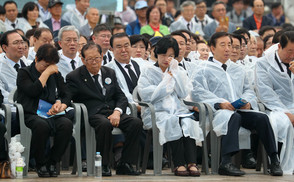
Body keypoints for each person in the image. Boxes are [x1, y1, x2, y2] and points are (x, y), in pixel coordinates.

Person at [190, 32, 283, 176]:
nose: (228, 49)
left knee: (262, 118)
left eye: (230, 45)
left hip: (239, 109)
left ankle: (274, 160)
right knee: (233, 118)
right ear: (212, 48)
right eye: (223, 45)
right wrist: (220, 103)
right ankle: (226, 162)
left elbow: (249, 90)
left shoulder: (238, 69)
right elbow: (198, 92)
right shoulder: (202, 69)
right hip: (217, 112)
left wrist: (247, 102)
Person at [66, 42, 142, 176]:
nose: (94, 62)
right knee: (104, 124)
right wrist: (60, 103)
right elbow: (67, 97)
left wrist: (117, 112)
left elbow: (121, 96)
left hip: (112, 111)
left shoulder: (109, 72)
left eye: (97, 58)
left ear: (102, 56)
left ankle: (125, 163)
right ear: (83, 59)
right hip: (91, 114)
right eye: (90, 59)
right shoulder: (74, 76)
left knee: (135, 123)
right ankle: (103, 164)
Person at [137, 36, 203, 176]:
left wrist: (176, 75)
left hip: (177, 110)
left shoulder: (177, 70)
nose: (167, 59)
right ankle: (178, 164)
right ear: (157, 54)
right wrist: (167, 80)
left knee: (188, 121)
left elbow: (183, 92)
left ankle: (192, 163)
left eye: (171, 56)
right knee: (172, 121)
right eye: (163, 55)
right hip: (156, 112)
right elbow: (149, 95)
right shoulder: (148, 72)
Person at [16, 44, 73, 177]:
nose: (48, 69)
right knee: (41, 126)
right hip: (31, 113)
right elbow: (33, 91)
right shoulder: (24, 73)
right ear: (36, 59)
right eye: (45, 65)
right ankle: (40, 163)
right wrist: (46, 73)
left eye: (51, 66)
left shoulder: (55, 73)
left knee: (66, 125)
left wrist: (61, 104)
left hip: (51, 113)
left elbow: (67, 93)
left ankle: (53, 162)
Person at [255, 31, 294, 174]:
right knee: (282, 122)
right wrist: (286, 112)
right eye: (289, 51)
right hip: (274, 108)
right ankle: (277, 162)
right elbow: (266, 93)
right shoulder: (263, 64)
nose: (292, 55)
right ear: (279, 47)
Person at [0, 30, 31, 137]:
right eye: (16, 43)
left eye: (22, 42)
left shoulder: (30, 64)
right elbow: (3, 96)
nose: (21, 46)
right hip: (11, 108)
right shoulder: (0, 67)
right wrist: (21, 104)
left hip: (32, 107)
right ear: (5, 48)